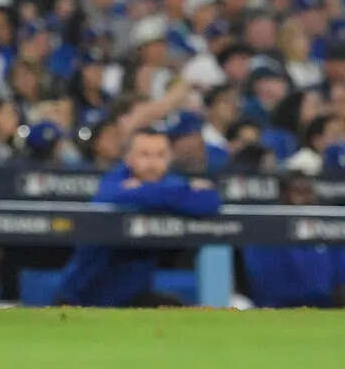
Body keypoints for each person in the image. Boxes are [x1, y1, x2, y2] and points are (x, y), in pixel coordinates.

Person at [52, 128, 222, 306]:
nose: (152, 163)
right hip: (82, 297)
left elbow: (209, 200)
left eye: (160, 155)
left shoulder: (169, 183)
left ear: (170, 158)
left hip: (133, 299)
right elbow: (115, 196)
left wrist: (145, 191)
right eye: (144, 154)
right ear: (128, 158)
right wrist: (180, 193)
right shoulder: (113, 180)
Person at [240, 173, 345, 308]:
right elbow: (260, 282)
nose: (307, 199)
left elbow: (340, 281)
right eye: (299, 192)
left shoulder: (328, 230)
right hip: (275, 308)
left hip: (324, 308)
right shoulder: (266, 231)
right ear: (283, 195)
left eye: (309, 192)